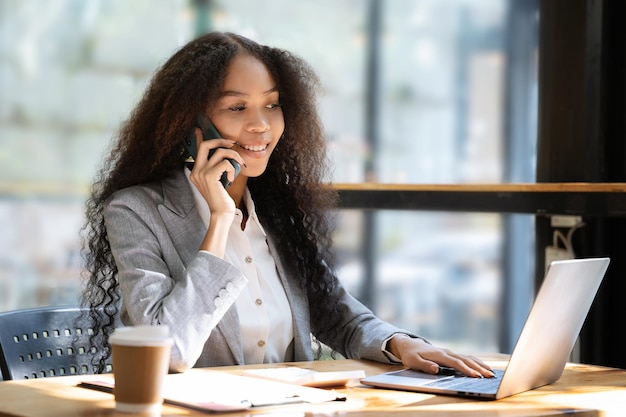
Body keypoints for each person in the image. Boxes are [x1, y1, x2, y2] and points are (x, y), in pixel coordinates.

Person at [81, 31, 494, 378]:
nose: (261, 124)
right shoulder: (137, 210)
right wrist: (221, 221)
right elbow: (167, 350)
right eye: (237, 107)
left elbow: (334, 311)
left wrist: (400, 344)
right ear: (189, 126)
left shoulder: (277, 207)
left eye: (272, 104)